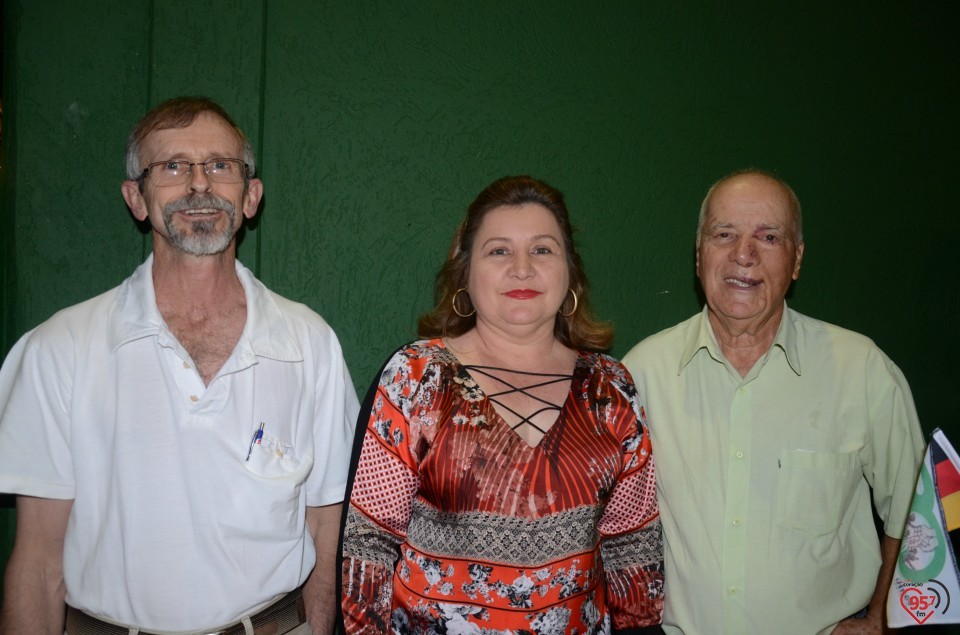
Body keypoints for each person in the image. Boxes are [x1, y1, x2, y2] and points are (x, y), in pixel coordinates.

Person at [0, 97, 359, 634]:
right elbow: (37, 563)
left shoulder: (310, 343)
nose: (199, 185)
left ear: (252, 195)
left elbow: (327, 527)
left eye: (220, 165)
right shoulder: (59, 348)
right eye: (171, 167)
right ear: (136, 199)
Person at [339, 175, 664, 634]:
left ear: (570, 272)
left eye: (543, 249)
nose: (522, 268)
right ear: (465, 274)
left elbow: (634, 558)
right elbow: (367, 552)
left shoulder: (610, 390)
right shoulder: (416, 379)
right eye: (499, 251)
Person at [622, 169, 925, 635]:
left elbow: (918, 510)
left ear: (797, 259)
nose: (743, 254)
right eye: (724, 234)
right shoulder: (642, 373)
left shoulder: (861, 369)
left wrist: (883, 615)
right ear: (699, 253)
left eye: (769, 236)